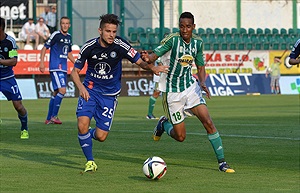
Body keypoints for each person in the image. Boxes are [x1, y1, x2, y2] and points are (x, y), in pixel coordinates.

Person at [70, 14, 168, 173]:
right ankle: (90, 161)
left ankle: (85, 136)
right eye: (108, 31)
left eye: (114, 31)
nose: (111, 35)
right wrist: (81, 88)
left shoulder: (120, 45)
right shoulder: (89, 47)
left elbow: (140, 62)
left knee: (101, 137)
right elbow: (74, 72)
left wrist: (153, 68)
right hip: (90, 90)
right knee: (82, 124)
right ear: (100, 30)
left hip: (109, 95)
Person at [141, 12, 235, 173]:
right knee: (180, 137)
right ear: (179, 27)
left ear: (193, 27)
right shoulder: (172, 40)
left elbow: (200, 66)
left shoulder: (198, 43)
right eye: (182, 26)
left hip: (191, 88)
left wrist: (203, 82)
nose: (185, 30)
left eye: (188, 26)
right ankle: (163, 124)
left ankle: (222, 162)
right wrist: (148, 58)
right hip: (172, 92)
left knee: (208, 122)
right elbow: (154, 55)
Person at [39, 16, 75, 124]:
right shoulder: (56, 35)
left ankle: (48, 118)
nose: (65, 25)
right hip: (55, 67)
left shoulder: (69, 37)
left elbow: (68, 53)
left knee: (56, 92)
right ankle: (54, 116)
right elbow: (45, 47)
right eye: (63, 23)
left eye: (66, 23)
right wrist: (42, 63)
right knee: (62, 90)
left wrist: (77, 63)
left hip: (63, 68)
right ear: (60, 24)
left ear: (69, 25)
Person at [0, 17, 29, 139]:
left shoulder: (10, 42)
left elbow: (14, 61)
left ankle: (24, 128)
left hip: (7, 78)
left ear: (1, 28)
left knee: (18, 106)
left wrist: (0, 61)